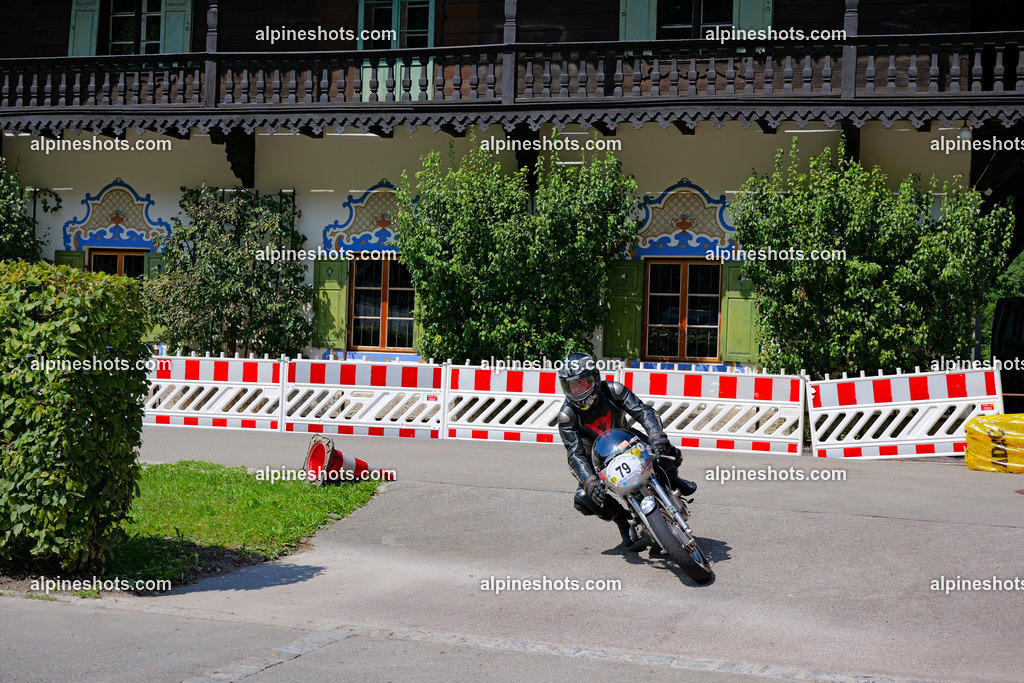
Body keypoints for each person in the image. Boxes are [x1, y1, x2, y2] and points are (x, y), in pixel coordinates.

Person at [557, 352, 697, 549]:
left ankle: (672, 479)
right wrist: (589, 481)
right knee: (584, 499)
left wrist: (656, 435)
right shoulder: (566, 416)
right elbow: (575, 454)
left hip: (628, 440)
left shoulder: (613, 390)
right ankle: (623, 521)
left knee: (667, 451)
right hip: (596, 460)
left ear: (594, 379)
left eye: (582, 383)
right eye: (572, 386)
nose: (577, 390)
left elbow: (643, 411)